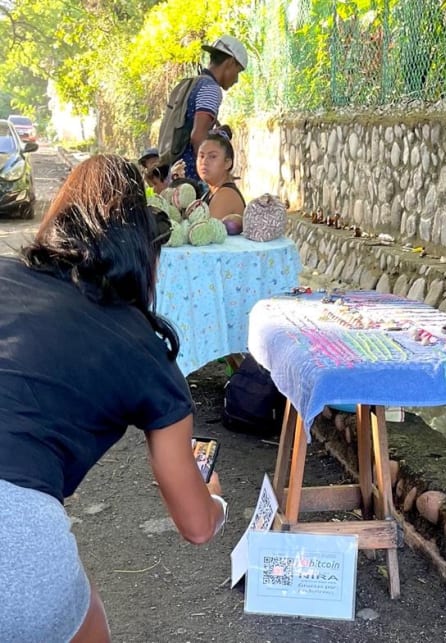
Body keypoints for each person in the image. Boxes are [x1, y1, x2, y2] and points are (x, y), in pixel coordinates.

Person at [0, 154, 228, 642]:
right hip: (15, 545)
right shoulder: (147, 352)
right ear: (144, 253)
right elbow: (197, 526)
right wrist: (215, 500)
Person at [180, 35, 248, 181]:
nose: (236, 80)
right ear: (230, 63)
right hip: (191, 178)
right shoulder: (211, 89)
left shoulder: (196, 83)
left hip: (179, 171)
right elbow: (198, 135)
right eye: (238, 72)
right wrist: (207, 178)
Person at [196, 129, 246, 220]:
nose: (204, 161)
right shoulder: (211, 192)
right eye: (201, 156)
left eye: (213, 156)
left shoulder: (226, 195)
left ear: (227, 163)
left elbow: (207, 232)